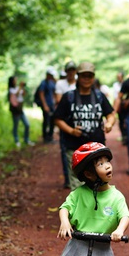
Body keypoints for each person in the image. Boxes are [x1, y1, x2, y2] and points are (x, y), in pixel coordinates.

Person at [53, 62, 116, 189]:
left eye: (90, 76)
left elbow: (110, 114)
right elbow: (57, 119)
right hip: (75, 148)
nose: (87, 79)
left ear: (93, 77)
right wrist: (71, 131)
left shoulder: (99, 96)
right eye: (83, 76)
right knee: (77, 186)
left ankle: (95, 209)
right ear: (78, 77)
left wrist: (109, 123)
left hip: (97, 150)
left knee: (99, 184)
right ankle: (80, 208)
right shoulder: (69, 97)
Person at [55, 61, 78, 189]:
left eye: (73, 70)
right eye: (69, 70)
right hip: (65, 121)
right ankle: (68, 178)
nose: (71, 72)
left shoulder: (78, 84)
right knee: (65, 151)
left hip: (77, 122)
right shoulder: (60, 84)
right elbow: (59, 100)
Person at [8, 76, 34, 148]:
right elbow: (15, 95)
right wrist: (20, 87)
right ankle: (16, 141)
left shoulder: (18, 88)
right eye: (15, 80)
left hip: (21, 109)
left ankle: (26, 139)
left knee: (27, 124)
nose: (16, 81)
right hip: (15, 110)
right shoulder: (11, 89)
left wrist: (22, 87)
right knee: (16, 126)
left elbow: (23, 94)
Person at [38, 67, 58, 143]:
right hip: (46, 105)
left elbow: (54, 93)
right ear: (48, 75)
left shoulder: (52, 82)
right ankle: (45, 138)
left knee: (52, 121)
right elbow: (41, 94)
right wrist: (45, 105)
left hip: (52, 105)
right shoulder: (43, 83)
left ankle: (50, 136)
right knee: (46, 121)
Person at [111, 71, 127, 146]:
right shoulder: (115, 85)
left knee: (126, 121)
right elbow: (116, 97)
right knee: (121, 120)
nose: (119, 78)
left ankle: (127, 135)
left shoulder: (126, 84)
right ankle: (124, 135)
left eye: (120, 77)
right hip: (119, 106)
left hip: (125, 106)